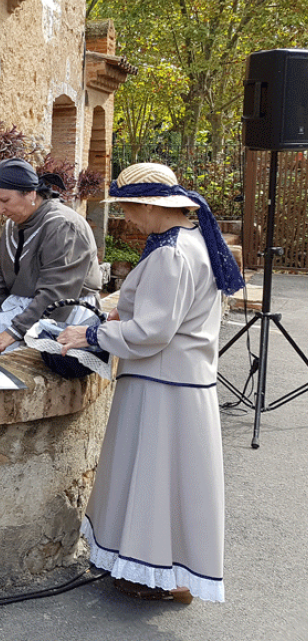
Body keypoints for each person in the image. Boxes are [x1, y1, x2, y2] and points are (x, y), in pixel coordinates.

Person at [58, 162, 245, 604]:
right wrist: (125, 314)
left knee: (155, 480)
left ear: (147, 206)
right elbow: (169, 315)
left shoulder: (171, 253)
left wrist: (90, 333)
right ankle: (161, 570)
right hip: (178, 383)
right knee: (173, 482)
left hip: (163, 385)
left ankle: (154, 572)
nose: (125, 218)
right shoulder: (187, 243)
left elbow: (153, 333)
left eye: (126, 209)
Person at [0, 157, 101, 356]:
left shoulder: (62, 225)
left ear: (30, 193)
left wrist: (14, 331)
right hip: (26, 310)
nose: (0, 210)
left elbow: (57, 293)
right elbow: (2, 273)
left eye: (5, 201)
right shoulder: (14, 225)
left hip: (64, 314)